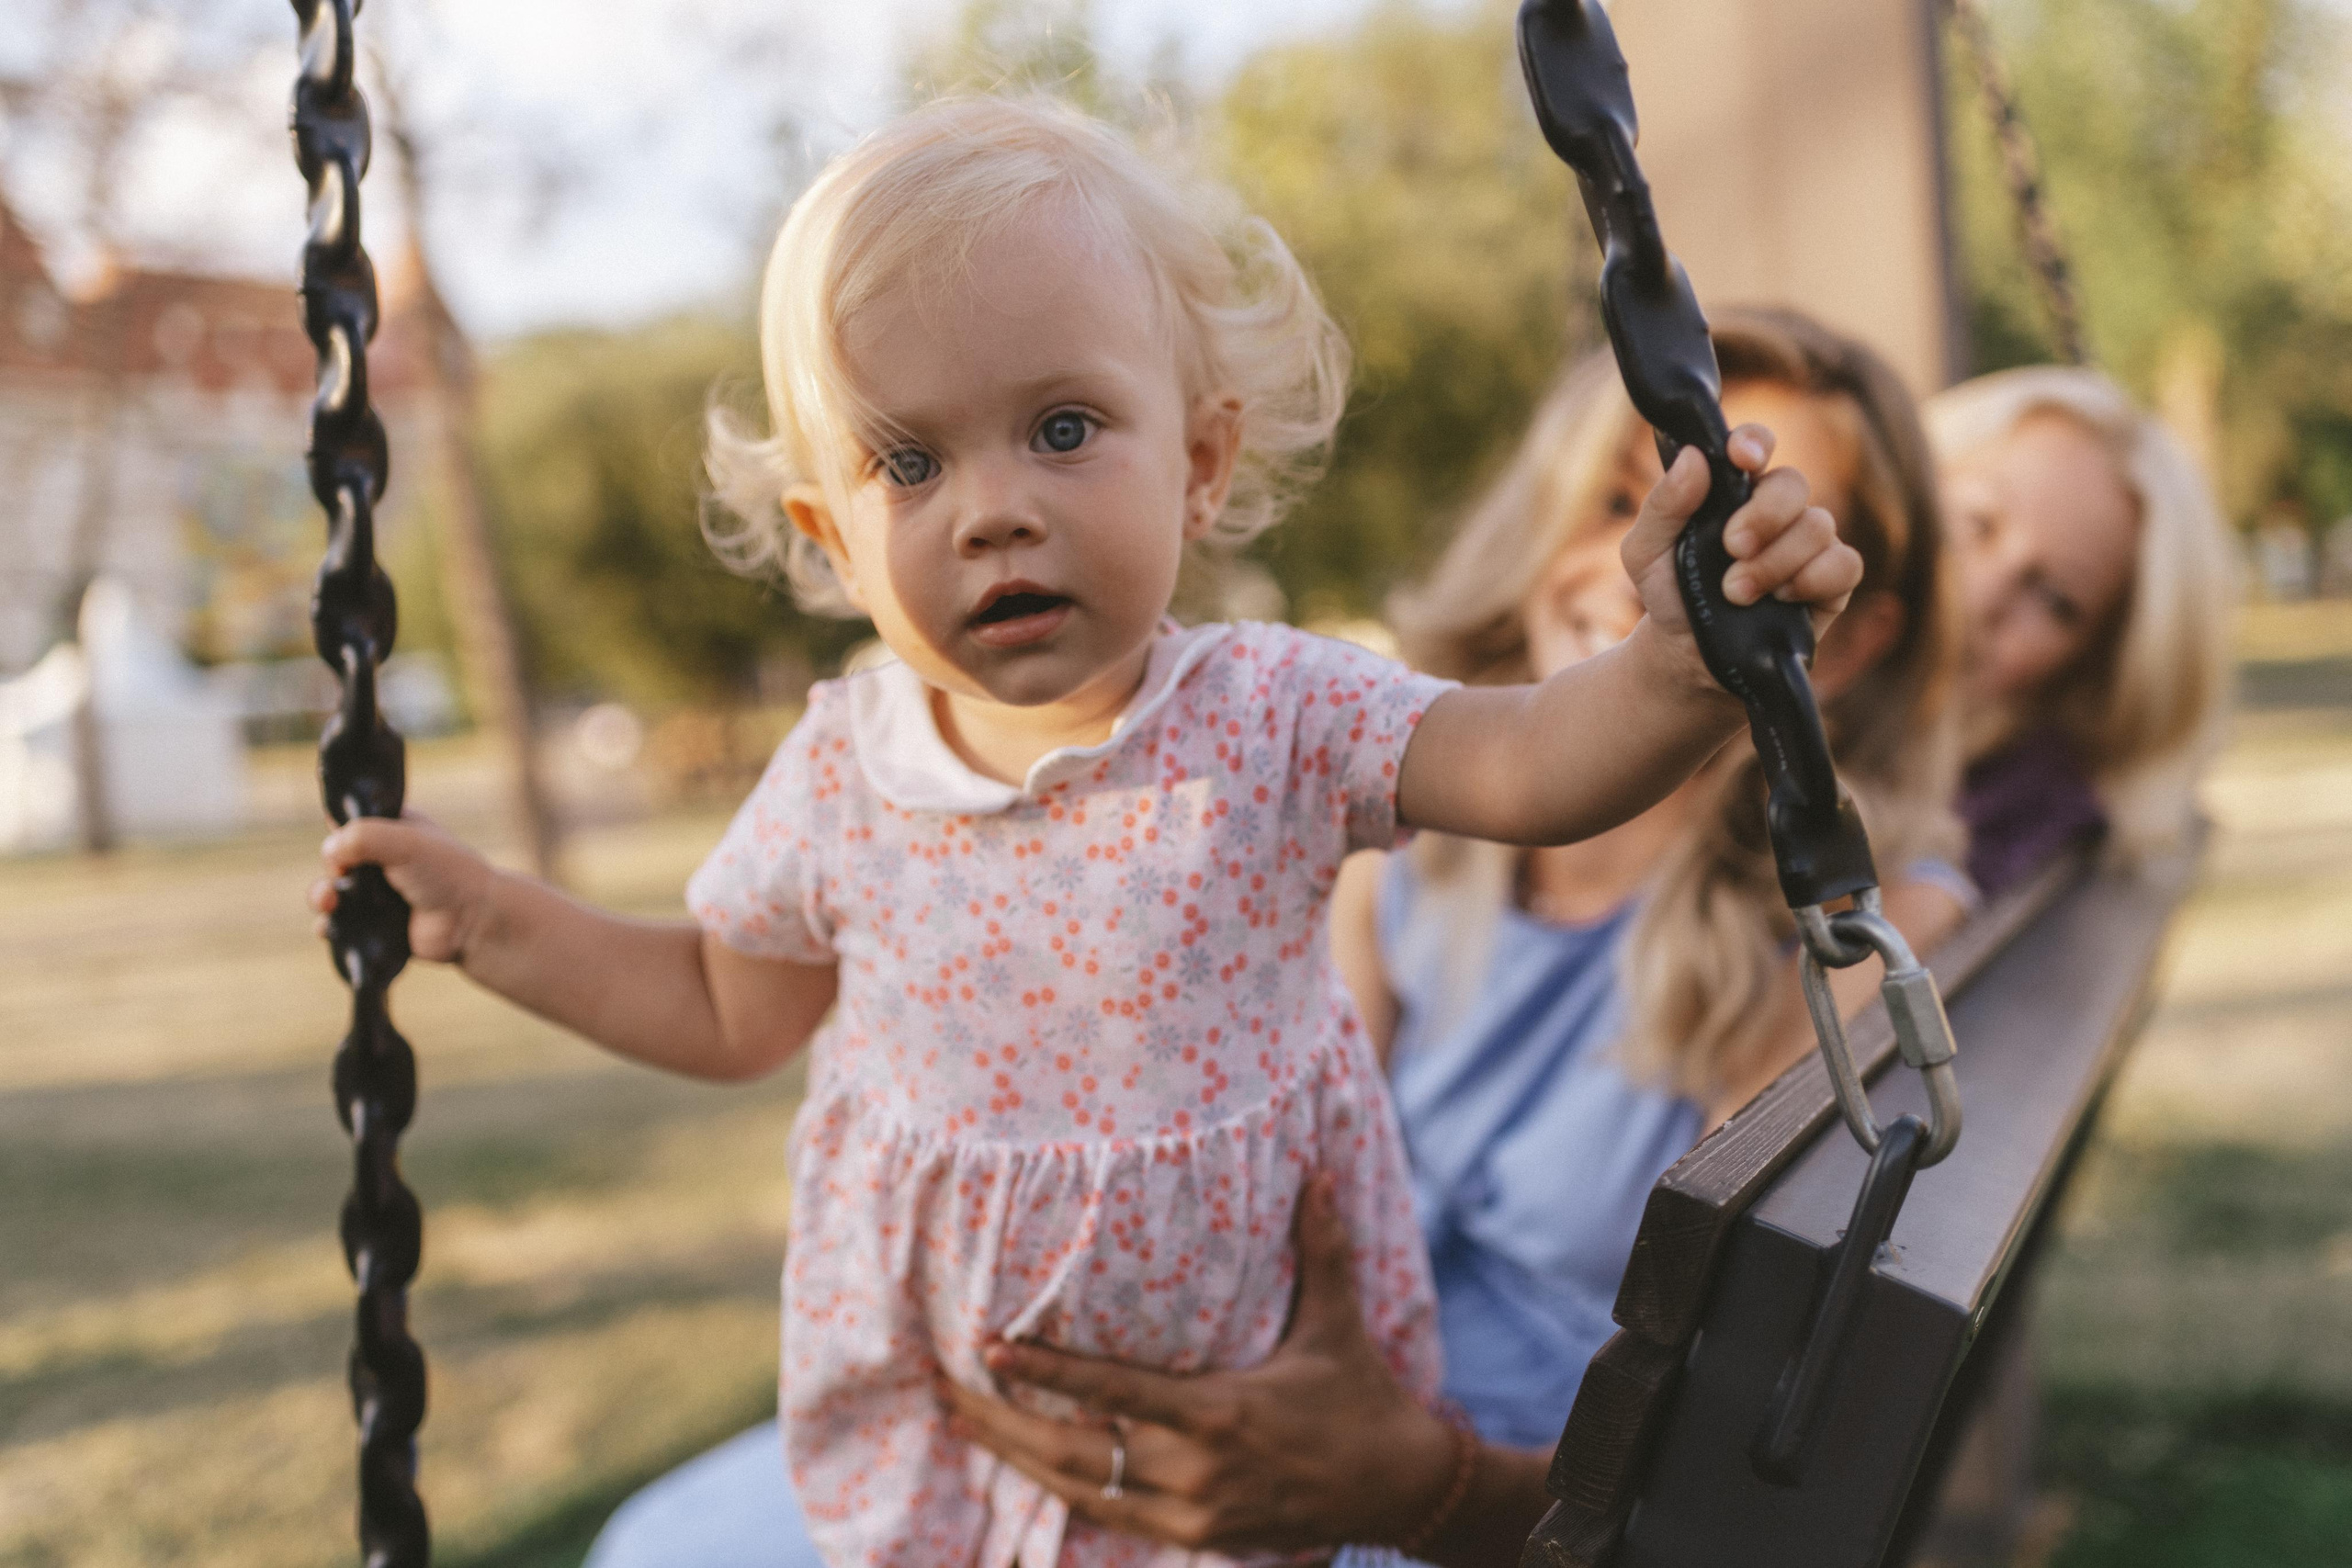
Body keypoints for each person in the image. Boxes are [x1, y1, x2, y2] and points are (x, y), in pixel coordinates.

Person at [311, 99, 1866, 1568]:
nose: (992, 507)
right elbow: (728, 1005)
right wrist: (494, 921)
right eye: (907, 463)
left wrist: (1675, 669)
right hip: (959, 1414)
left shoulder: (1272, 713)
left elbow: (1528, 763)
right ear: (833, 539)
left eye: (1063, 427)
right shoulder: (843, 772)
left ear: (1199, 460)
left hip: (1247, 1393)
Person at [904, 311, 1965, 1565]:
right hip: (1299, 1413)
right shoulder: (1413, 843)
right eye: (1614, 501)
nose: (1637, 569)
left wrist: (1411, 1486)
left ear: (1848, 642)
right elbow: (1282, 1178)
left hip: (1500, 1505)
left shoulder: (1838, 936)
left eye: (1730, 547)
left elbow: (1728, 1478)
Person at [1927, 366, 2234, 897]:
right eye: (1977, 522)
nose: (1979, 598)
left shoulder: (2016, 821)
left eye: (2057, 600)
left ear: (2089, 670)